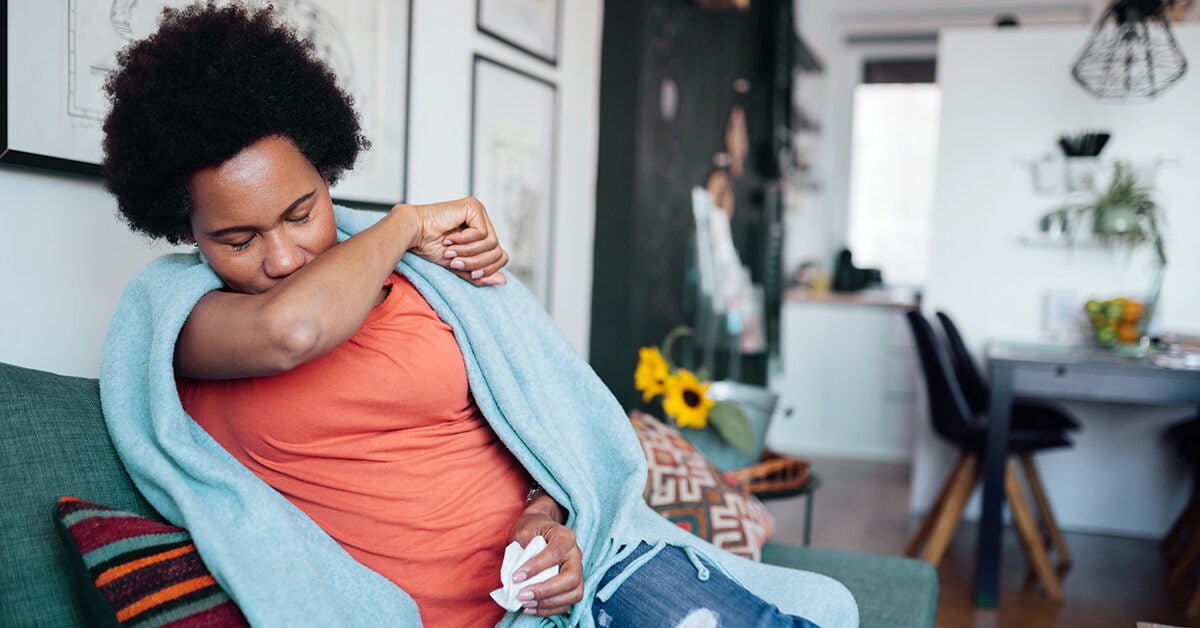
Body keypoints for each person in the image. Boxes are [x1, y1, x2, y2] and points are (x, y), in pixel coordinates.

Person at [100, 3, 854, 627]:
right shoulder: (187, 321)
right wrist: (404, 222)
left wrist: (546, 515)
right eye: (237, 238)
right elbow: (293, 331)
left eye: (302, 212)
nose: (283, 256)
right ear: (185, 231)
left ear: (328, 175)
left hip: (588, 574)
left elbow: (547, 428)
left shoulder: (427, 287)